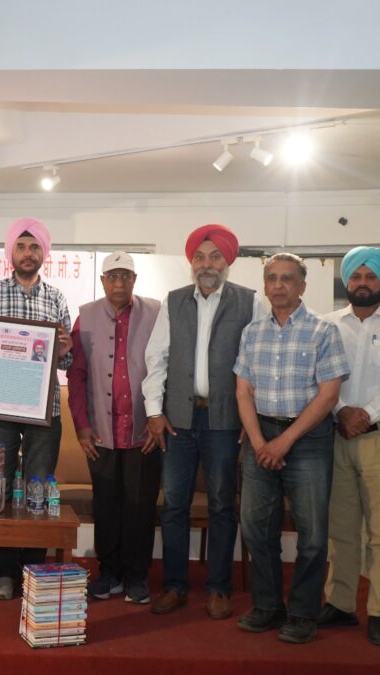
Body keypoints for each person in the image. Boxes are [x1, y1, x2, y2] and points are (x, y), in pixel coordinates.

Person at [142, 224, 265, 619]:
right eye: (199, 257)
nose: (206, 264)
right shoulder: (174, 301)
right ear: (191, 262)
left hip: (225, 419)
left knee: (222, 505)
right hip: (178, 419)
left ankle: (219, 588)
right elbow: (156, 358)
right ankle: (175, 586)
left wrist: (252, 416)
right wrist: (154, 412)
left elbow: (259, 363)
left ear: (227, 261)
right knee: (174, 505)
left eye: (214, 257)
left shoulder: (250, 302)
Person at [233, 252, 349, 644]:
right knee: (255, 527)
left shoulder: (323, 330)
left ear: (302, 285)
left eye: (287, 278)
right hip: (261, 435)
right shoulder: (252, 332)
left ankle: (302, 613)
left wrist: (284, 441)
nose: (278, 285)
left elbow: (329, 395)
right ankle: (268, 606)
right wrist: (260, 441)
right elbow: (243, 391)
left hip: (308, 439)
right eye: (272, 278)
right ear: (265, 286)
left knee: (312, 534)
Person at [316, 247, 380, 645]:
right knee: (340, 527)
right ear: (347, 280)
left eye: (370, 277)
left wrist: (366, 415)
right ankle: (340, 604)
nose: (362, 283)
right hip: (336, 436)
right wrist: (342, 411)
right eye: (356, 276)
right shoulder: (327, 325)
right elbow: (319, 376)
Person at [0, 217, 74, 601]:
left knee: (37, 487)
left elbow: (67, 361)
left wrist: (65, 349)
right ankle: (3, 572)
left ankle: (34, 570)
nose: (28, 253)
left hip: (45, 409)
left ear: (44, 253)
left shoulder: (56, 298)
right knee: (0, 488)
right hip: (2, 407)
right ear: (11, 252)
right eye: (21, 247)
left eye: (34, 247)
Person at [68, 252, 161, 605]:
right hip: (101, 431)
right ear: (103, 280)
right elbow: (76, 374)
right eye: (112, 276)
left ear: (134, 280)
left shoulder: (156, 312)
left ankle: (137, 576)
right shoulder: (86, 316)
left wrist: (158, 417)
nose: (119, 283)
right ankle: (109, 573)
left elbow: (166, 366)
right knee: (106, 503)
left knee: (140, 505)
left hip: (143, 430)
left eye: (125, 276)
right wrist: (82, 425)